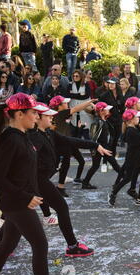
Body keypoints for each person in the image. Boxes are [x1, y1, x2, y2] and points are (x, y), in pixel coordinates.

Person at [0, 93, 74, 275]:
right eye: (33, 113)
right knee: (40, 243)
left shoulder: (22, 136)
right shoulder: (11, 139)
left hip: (19, 201)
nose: (36, 117)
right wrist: (24, 197)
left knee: (6, 246)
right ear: (20, 114)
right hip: (16, 203)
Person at [28, 105, 110, 257]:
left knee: (15, 220)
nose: (51, 117)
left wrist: (95, 144)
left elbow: (69, 140)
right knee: (61, 207)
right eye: (48, 116)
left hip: (41, 180)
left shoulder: (47, 133)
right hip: (37, 180)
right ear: (38, 118)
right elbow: (25, 164)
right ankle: (72, 246)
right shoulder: (33, 137)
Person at [49, 96, 96, 192]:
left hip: (67, 142)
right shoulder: (60, 113)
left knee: (66, 164)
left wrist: (79, 128)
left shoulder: (59, 115)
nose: (67, 104)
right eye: (65, 103)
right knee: (59, 166)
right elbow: (76, 108)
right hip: (62, 143)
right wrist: (88, 102)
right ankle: (50, 184)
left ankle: (63, 185)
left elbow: (68, 131)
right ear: (59, 106)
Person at [109, 109, 140, 206]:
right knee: (128, 178)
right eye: (136, 117)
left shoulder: (133, 129)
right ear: (131, 120)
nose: (138, 119)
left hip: (139, 157)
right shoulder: (131, 131)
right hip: (134, 158)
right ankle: (113, 193)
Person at [81, 102, 121, 189]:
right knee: (114, 164)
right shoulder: (97, 122)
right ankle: (125, 179)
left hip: (103, 146)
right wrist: (95, 148)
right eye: (106, 109)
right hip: (99, 147)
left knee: (96, 166)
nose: (108, 110)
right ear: (102, 111)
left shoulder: (103, 120)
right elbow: (93, 137)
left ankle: (85, 183)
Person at [99, 78, 124, 163]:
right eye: (109, 83)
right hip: (108, 120)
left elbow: (122, 107)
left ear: (116, 84)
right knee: (110, 140)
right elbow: (99, 107)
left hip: (118, 120)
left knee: (115, 140)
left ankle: (112, 159)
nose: (111, 85)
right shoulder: (104, 95)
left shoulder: (120, 95)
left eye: (113, 83)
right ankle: (105, 161)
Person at [68, 69, 92, 139]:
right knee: (74, 131)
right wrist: (80, 95)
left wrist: (74, 95)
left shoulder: (86, 84)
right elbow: (67, 95)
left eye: (77, 76)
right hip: (74, 110)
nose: (75, 77)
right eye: (74, 76)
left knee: (85, 131)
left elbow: (87, 95)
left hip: (84, 111)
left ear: (81, 76)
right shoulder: (70, 84)